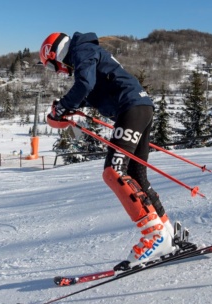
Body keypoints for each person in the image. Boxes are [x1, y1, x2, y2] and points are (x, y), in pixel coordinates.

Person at [41, 31, 184, 269]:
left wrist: (63, 106)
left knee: (113, 172)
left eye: (51, 66)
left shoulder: (81, 52)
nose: (57, 71)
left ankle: (154, 236)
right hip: (140, 107)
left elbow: (85, 84)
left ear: (55, 54)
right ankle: (167, 232)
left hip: (131, 108)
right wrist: (67, 107)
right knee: (137, 175)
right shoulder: (87, 51)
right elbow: (94, 89)